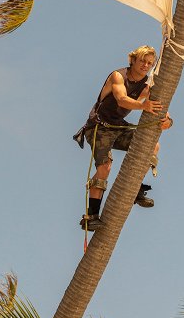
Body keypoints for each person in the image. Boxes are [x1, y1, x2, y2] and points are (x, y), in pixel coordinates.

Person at [73, 45, 173, 231]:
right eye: (142, 60)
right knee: (105, 167)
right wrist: (144, 107)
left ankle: (136, 188)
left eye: (150, 63)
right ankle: (91, 215)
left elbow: (158, 107)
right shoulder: (118, 76)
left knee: (153, 145)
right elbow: (121, 99)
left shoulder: (146, 86)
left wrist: (168, 120)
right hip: (99, 127)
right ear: (133, 60)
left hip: (118, 126)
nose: (145, 65)